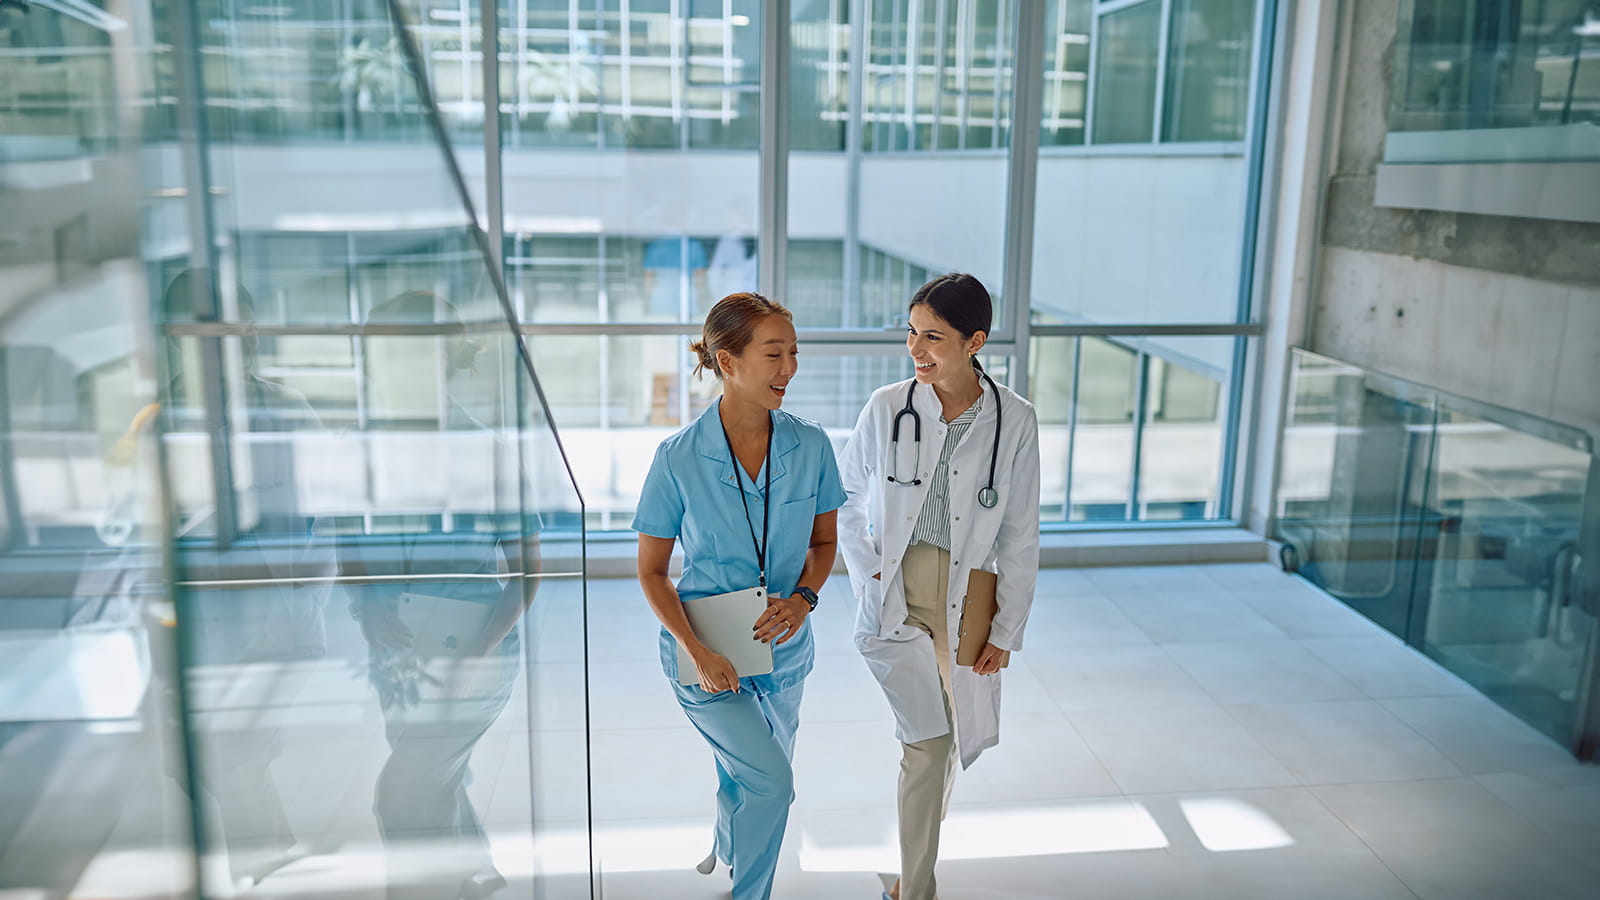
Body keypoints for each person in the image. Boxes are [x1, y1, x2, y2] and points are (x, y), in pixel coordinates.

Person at [633, 292, 845, 900]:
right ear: (727, 361)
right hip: (705, 654)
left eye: (795, 353)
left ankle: (728, 842)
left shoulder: (812, 446)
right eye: (774, 354)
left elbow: (824, 544)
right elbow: (652, 572)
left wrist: (803, 598)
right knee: (772, 781)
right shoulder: (676, 459)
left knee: (747, 771)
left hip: (783, 650)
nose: (790, 369)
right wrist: (698, 652)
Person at [837, 273, 1040, 900]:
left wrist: (1007, 629)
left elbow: (1021, 533)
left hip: (972, 591)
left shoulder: (1016, 420)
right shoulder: (887, 405)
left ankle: (910, 863)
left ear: (975, 341)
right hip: (897, 586)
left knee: (951, 739)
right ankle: (915, 889)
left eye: (934, 337)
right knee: (926, 744)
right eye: (911, 332)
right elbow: (842, 499)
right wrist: (869, 568)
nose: (916, 349)